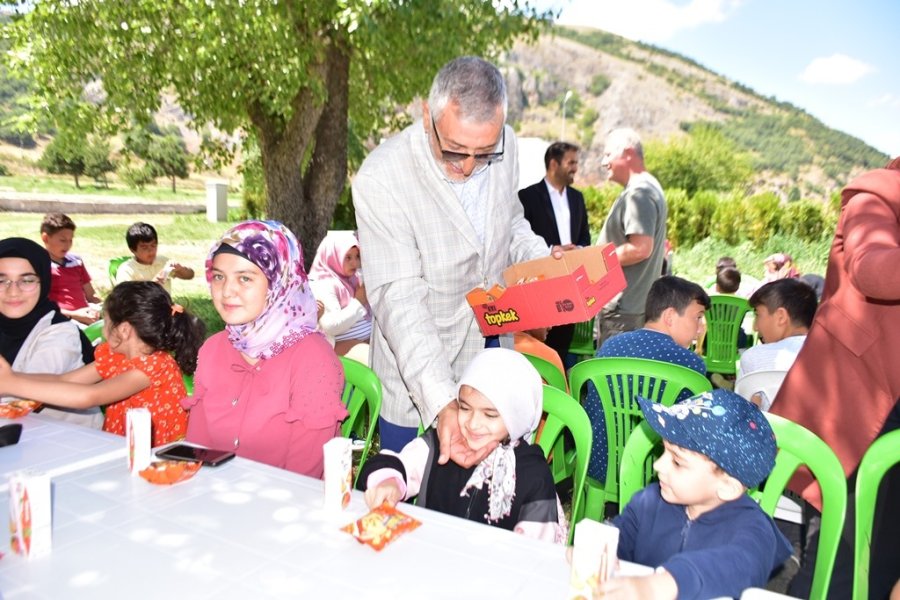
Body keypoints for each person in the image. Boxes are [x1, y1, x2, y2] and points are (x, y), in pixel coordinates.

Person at [352, 56, 559, 456]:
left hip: (492, 354)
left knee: (487, 500)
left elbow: (509, 220)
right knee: (415, 498)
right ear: (428, 114)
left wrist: (544, 262)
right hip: (418, 379)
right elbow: (399, 301)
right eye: (454, 151)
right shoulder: (382, 178)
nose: (468, 167)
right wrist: (444, 403)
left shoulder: (507, 143)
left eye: (483, 154)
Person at [772, 158, 900, 599]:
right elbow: (873, 268)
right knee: (841, 565)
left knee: (880, 566)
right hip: (857, 411)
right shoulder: (877, 195)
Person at [182, 220, 348, 478]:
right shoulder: (212, 350)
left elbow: (303, 476)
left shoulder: (313, 360)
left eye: (245, 278)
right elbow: (198, 449)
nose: (226, 291)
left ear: (279, 283)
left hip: (285, 503)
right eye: (218, 277)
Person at [595, 390, 793, 600]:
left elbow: (739, 565)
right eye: (663, 452)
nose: (657, 465)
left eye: (677, 462)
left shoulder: (755, 531)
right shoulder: (649, 501)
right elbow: (620, 535)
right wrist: (598, 548)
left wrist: (665, 584)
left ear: (728, 486)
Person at [358, 348, 566, 543]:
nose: (473, 424)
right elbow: (394, 464)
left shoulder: (533, 475)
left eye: (490, 414)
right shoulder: (444, 444)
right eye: (465, 408)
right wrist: (390, 483)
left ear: (519, 416)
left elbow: (536, 553)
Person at [0, 281, 205, 446]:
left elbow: (90, 396)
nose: (102, 328)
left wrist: (11, 384)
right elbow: (66, 380)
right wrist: (13, 377)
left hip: (154, 455)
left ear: (124, 330)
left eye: (106, 322)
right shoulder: (116, 356)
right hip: (121, 445)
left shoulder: (155, 367)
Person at [584, 276, 709, 482]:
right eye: (698, 317)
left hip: (599, 463)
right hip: (655, 473)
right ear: (670, 316)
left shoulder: (610, 346)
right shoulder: (689, 364)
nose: (700, 327)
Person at [0, 237, 102, 428]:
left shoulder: (60, 335)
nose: (13, 291)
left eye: (27, 280)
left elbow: (18, 400)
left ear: (44, 282)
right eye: (1, 280)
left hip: (68, 445)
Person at [518, 141, 591, 363]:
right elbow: (521, 239)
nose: (575, 168)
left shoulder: (577, 198)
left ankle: (560, 390)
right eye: (571, 162)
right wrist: (551, 251)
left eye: (576, 163)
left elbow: (585, 238)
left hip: (570, 287)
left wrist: (575, 251)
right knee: (538, 352)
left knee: (561, 348)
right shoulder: (527, 197)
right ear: (553, 164)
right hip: (541, 287)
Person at [596, 128, 667, 345]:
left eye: (608, 154)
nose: (603, 162)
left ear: (628, 153)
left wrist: (594, 260)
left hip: (624, 311)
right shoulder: (648, 187)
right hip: (632, 307)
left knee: (613, 376)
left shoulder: (639, 192)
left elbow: (640, 248)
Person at [738, 279, 817, 406]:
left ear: (781, 317)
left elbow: (749, 414)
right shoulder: (832, 357)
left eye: (758, 315)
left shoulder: (754, 356)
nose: (755, 327)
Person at [308, 230, 372, 365]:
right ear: (333, 256)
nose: (355, 263)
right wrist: (359, 301)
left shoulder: (352, 279)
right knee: (373, 362)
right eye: (348, 257)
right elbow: (331, 326)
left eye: (357, 256)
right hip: (338, 345)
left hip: (364, 340)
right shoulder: (324, 284)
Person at [40, 212, 102, 325]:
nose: (68, 245)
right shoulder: (40, 266)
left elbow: (91, 296)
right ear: (45, 238)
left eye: (71, 240)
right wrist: (75, 315)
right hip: (62, 319)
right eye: (63, 240)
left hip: (87, 314)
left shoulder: (76, 261)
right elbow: (42, 307)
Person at [114, 222, 195, 293]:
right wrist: (153, 285)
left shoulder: (162, 262)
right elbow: (123, 296)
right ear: (132, 250)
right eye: (144, 247)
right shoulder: (127, 270)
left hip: (164, 306)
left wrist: (181, 269)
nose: (150, 251)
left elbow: (190, 275)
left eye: (153, 245)